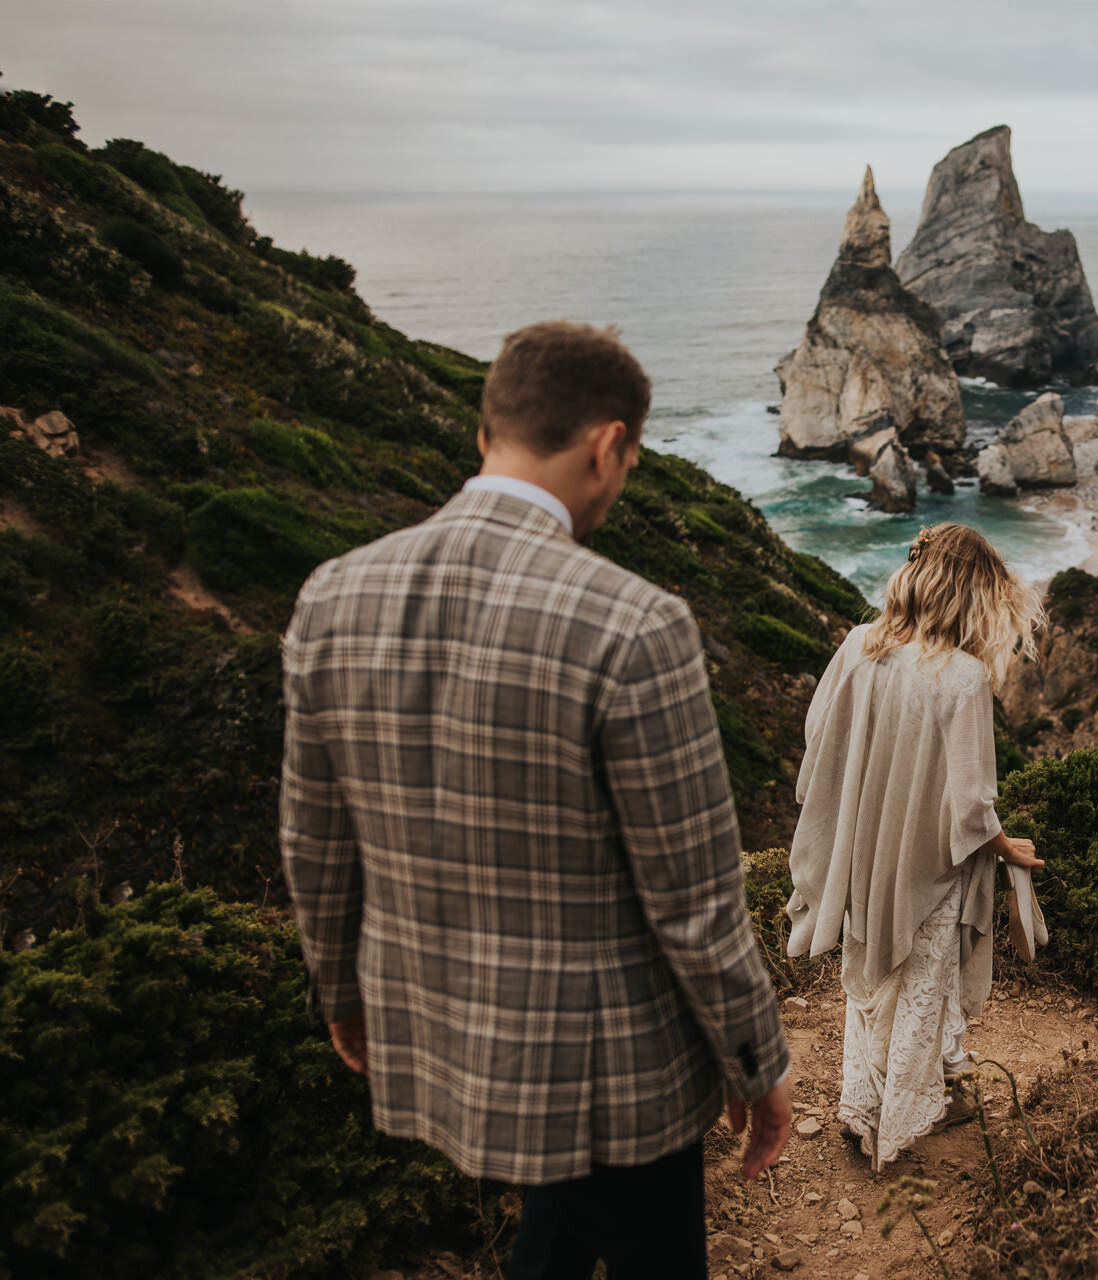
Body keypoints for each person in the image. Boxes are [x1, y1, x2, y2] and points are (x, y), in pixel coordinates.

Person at [279, 320, 791, 1280]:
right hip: (611, 1070)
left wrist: (340, 994)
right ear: (608, 446)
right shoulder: (637, 625)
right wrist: (757, 1066)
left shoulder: (329, 595)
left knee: (554, 1238)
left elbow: (313, 843)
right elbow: (695, 901)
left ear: (487, 435)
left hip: (443, 1033)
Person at [784, 523, 1046, 1170]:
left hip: (863, 849)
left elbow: (821, 738)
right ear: (973, 597)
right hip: (927, 863)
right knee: (921, 986)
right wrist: (1008, 849)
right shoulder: (960, 678)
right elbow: (970, 807)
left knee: (870, 979)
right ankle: (899, 1123)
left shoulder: (856, 646)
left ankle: (862, 1108)